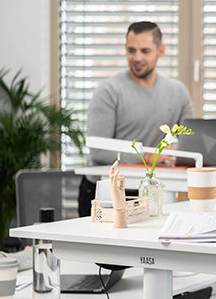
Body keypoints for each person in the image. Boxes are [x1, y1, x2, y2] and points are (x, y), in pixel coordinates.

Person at [78, 21, 193, 217]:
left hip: (151, 188)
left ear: (161, 51)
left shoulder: (178, 92)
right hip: (107, 190)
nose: (137, 57)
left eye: (145, 51)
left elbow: (189, 142)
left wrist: (177, 150)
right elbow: (98, 151)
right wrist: (146, 156)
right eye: (131, 50)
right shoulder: (108, 91)